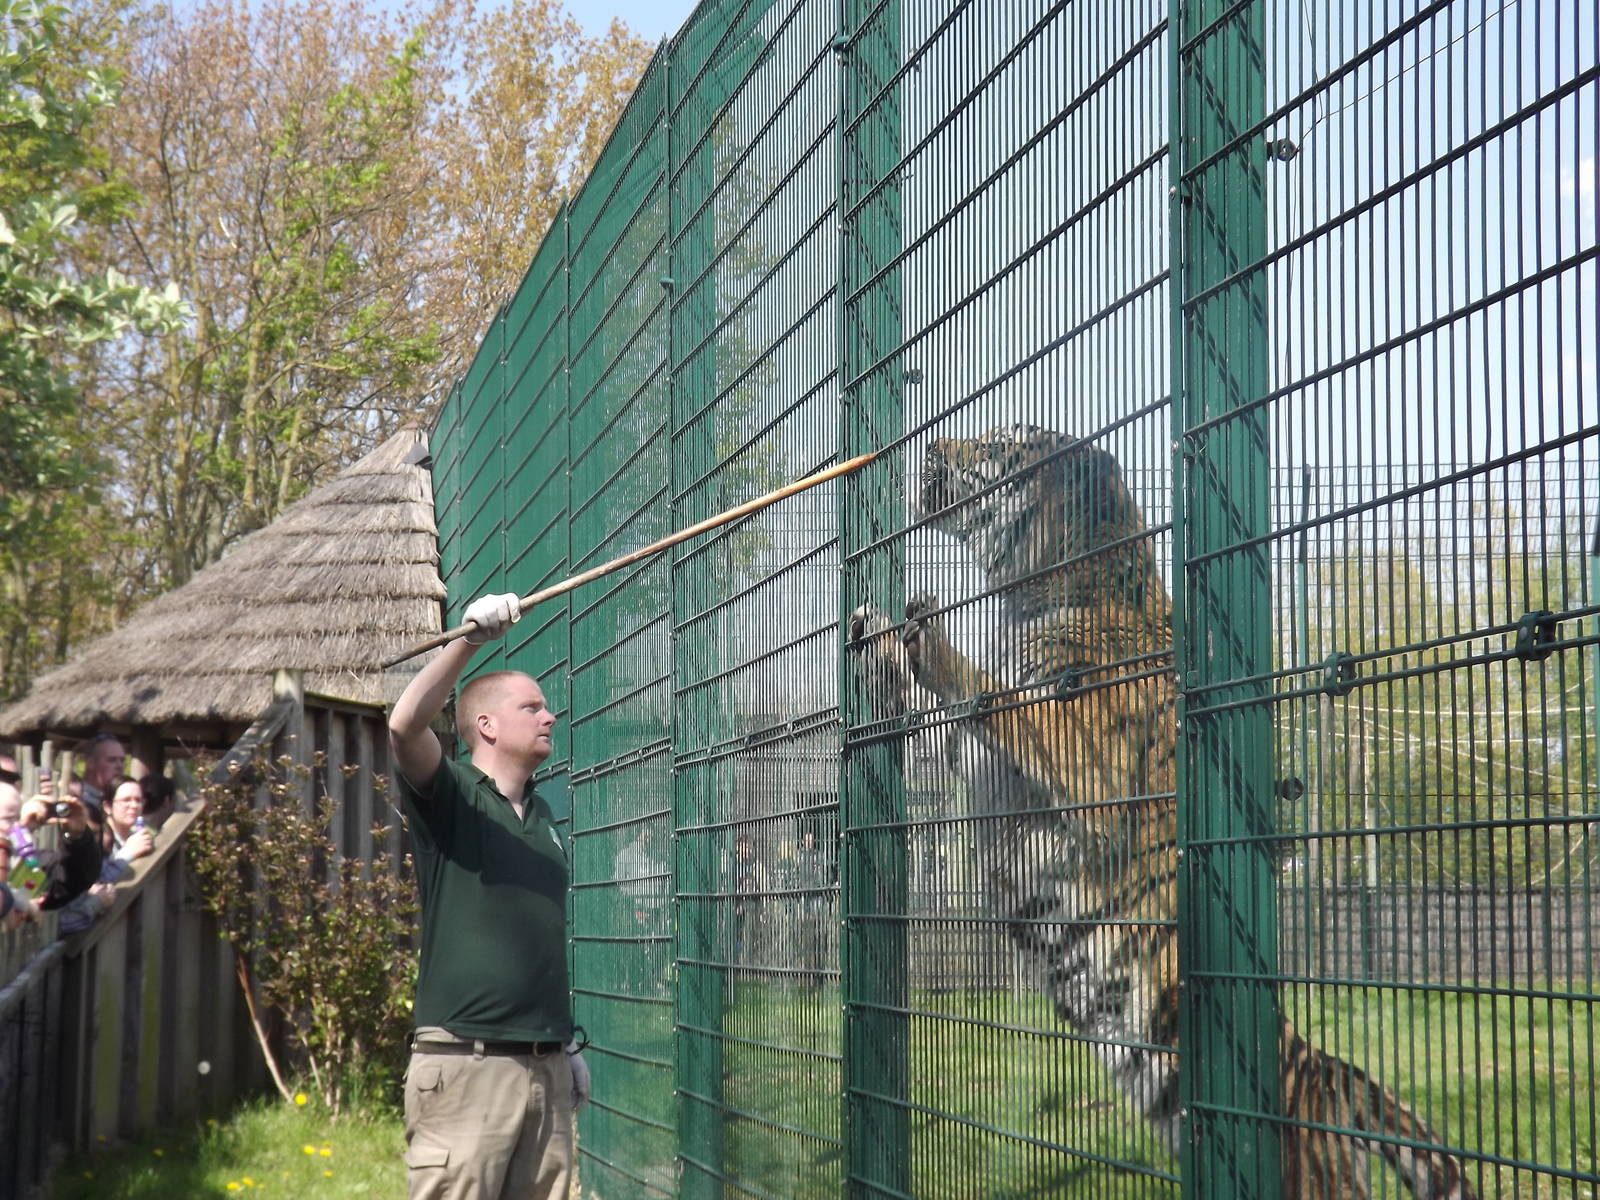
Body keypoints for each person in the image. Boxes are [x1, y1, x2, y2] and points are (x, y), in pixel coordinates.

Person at [387, 591, 589, 1200]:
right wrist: (468, 640)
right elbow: (404, 725)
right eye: (532, 707)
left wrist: (561, 1043)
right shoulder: (453, 796)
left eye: (547, 707)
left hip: (546, 1067)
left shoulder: (547, 818)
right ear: (486, 725)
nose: (549, 716)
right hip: (466, 1066)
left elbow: (536, 947)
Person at [76, 733, 126, 813]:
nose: (120, 766)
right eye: (112, 760)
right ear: (90, 763)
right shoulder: (76, 799)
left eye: (122, 760)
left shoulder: (125, 803)